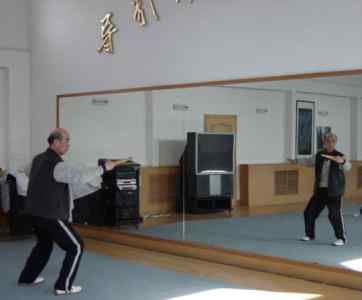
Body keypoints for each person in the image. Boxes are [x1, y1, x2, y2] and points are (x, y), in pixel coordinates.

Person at [17, 128, 120, 295]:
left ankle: (27, 278)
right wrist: (103, 168)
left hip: (34, 213)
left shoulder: (37, 159)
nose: (68, 144)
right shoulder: (56, 164)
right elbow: (77, 177)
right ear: (55, 142)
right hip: (51, 214)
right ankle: (63, 286)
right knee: (76, 246)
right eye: (66, 140)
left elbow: (28, 172)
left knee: (44, 245)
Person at [290, 132, 351, 246]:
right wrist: (296, 161)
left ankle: (341, 238)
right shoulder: (319, 155)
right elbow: (308, 161)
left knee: (334, 215)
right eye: (328, 141)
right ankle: (309, 235)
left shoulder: (340, 155)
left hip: (334, 192)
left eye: (333, 141)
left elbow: (348, 167)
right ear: (324, 142)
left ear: (335, 143)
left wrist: (342, 161)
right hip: (320, 191)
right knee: (309, 212)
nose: (330, 143)